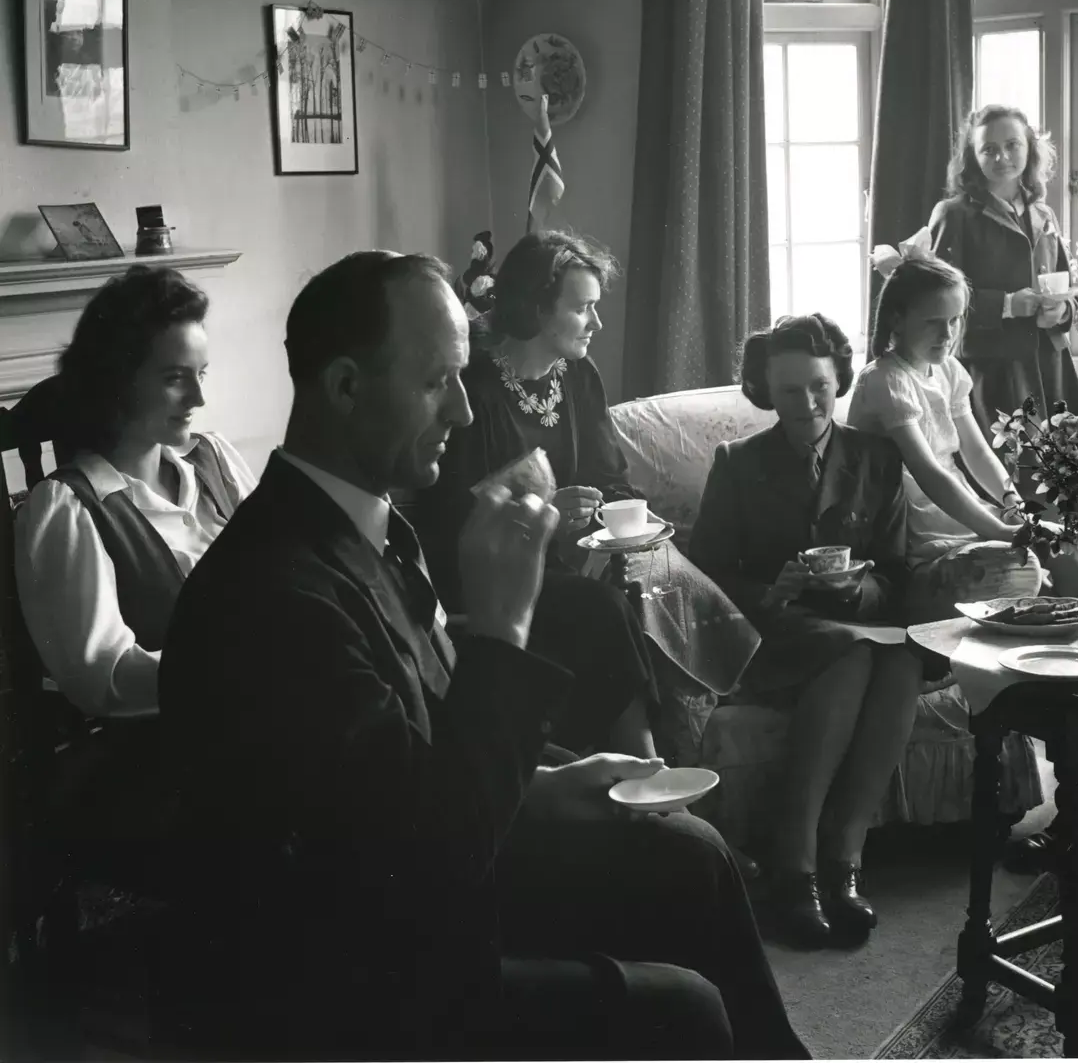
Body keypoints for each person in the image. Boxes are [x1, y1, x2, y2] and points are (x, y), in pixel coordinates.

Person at [159, 250, 808, 1060]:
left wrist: (549, 782)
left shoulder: (369, 527)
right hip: (352, 970)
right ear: (346, 387)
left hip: (424, 877)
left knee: (694, 857)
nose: (465, 413)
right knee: (684, 1010)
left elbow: (412, 752)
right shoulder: (272, 594)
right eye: (437, 383)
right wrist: (502, 623)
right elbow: (427, 853)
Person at [413, 230, 760, 765]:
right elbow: (451, 517)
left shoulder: (578, 374)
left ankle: (683, 732)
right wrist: (551, 517)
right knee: (603, 606)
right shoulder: (475, 389)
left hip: (583, 555)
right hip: (498, 574)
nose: (597, 324)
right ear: (535, 309)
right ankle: (645, 762)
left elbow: (613, 478)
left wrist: (606, 514)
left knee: (658, 568)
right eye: (583, 310)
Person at [689, 313, 922, 948]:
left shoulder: (877, 458)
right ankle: (796, 870)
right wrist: (771, 591)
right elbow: (704, 573)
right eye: (790, 390)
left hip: (856, 626)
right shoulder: (737, 463)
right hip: (773, 633)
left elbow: (897, 574)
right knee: (851, 655)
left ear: (837, 380)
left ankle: (844, 861)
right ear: (767, 391)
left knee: (903, 659)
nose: (808, 403)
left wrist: (860, 588)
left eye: (819, 385)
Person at [15, 265, 255, 722]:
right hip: (172, 746)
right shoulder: (68, 510)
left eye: (202, 373)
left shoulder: (217, 460)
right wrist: (247, 669)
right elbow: (103, 676)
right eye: (174, 378)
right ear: (118, 380)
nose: (199, 398)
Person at [847, 254, 1078, 621]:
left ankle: (1064, 644)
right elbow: (929, 473)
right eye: (933, 322)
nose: (947, 334)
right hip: (917, 532)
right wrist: (996, 529)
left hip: (964, 515)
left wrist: (1013, 504)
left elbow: (977, 452)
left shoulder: (947, 369)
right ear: (897, 318)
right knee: (1020, 569)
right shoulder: (886, 379)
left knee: (1070, 548)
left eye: (955, 320)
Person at [929, 104, 1078, 443]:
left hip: (1052, 370)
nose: (1002, 157)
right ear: (973, 156)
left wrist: (1061, 312)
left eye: (1012, 145)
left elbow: (1071, 291)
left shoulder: (1044, 214)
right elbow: (933, 303)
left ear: (1029, 147)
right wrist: (1007, 304)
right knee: (1007, 483)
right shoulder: (953, 215)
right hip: (992, 372)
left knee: (1062, 481)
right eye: (989, 149)